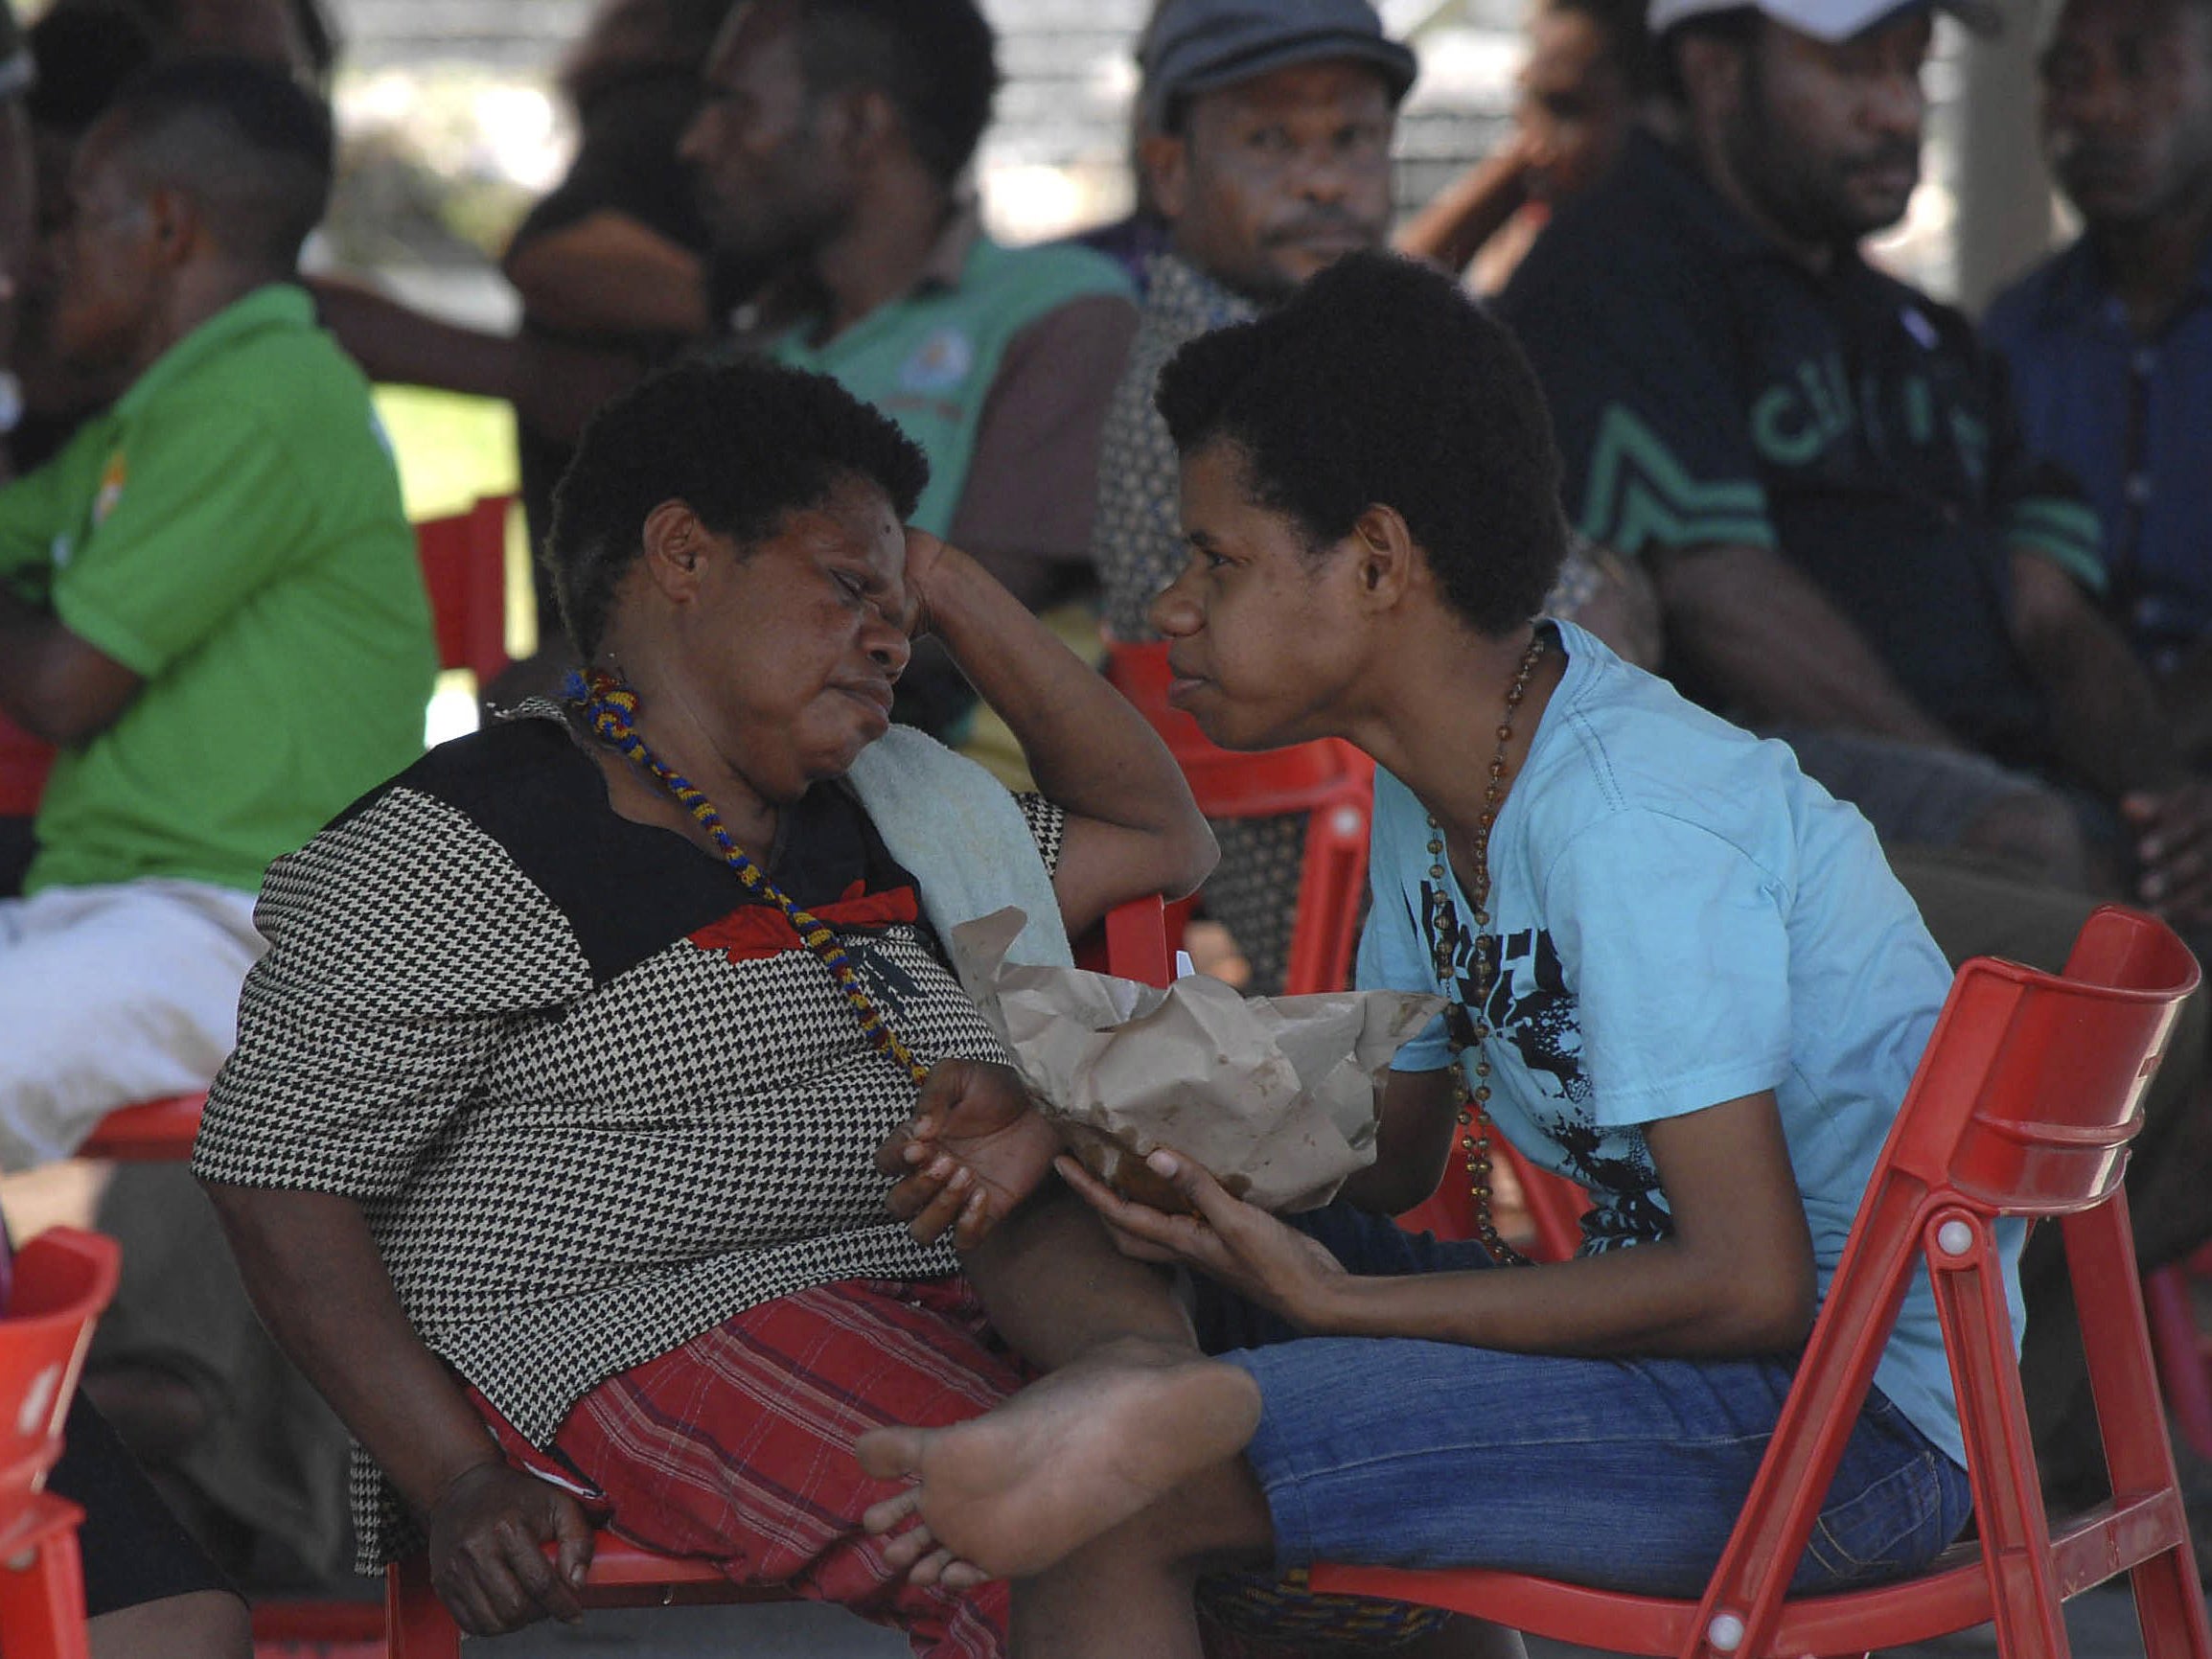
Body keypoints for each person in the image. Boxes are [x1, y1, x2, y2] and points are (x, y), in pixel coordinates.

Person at [854, 252, 1995, 1657]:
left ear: (1380, 562)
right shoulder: (1452, 773)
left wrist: (1330, 1302)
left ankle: (1157, 1417)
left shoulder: (1623, 820)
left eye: (1219, 559)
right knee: (1106, 1227)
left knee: (1120, 1500)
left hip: (1834, 1420)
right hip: (1700, 1360)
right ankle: (1155, 1386)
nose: (1170, 607)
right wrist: (1092, 1114)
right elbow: (1391, 1151)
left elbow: (1751, 1278)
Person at [194, 355, 1217, 1653]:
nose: (892, 640)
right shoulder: (475, 837)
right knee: (1073, 1533)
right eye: (846, 587)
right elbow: (270, 1172)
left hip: (975, 1278)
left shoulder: (900, 812)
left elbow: (1159, 832)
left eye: (899, 611)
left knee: (1320, 1482)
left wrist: (940, 581)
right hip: (656, 1315)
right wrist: (453, 1475)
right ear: (683, 555)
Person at [1493, 0, 2212, 915]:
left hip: (2008, 790)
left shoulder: (1915, 327)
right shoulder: (1614, 274)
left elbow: (2049, 607)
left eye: (1910, 67)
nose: (1900, 111)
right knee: (2052, 872)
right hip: (1737, 819)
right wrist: (1990, 788)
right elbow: (1718, 592)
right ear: (1717, 72)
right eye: (1854, 69)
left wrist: (2171, 815)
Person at [1094, 0, 1658, 995]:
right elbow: (1582, 635)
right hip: (1456, 933)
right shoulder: (1269, 385)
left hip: (1435, 909)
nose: (1321, 178)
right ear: (1171, 167)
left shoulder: (1213, 360)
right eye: (1270, 139)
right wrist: (1616, 586)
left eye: (1351, 137)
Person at [680, 0, 1138, 761]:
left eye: (734, 104)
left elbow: (959, 624)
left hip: (964, 817)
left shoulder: (1059, 312)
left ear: (858, 125)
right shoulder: (750, 354)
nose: (697, 142)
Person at [1983, 0, 2212, 759]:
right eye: (2067, 74)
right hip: (2081, 765)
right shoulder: (2010, 335)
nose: (2097, 106)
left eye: (2143, 65)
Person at [1397, 0, 1654, 291]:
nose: (1536, 150)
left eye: (1566, 109)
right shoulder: (1528, 225)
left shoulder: (1658, 267)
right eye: (1524, 100)